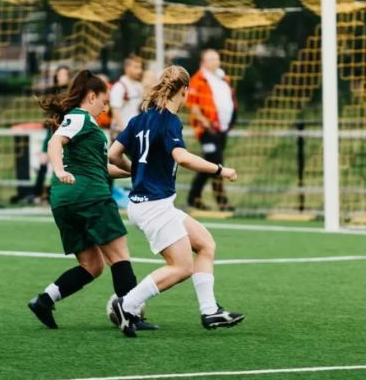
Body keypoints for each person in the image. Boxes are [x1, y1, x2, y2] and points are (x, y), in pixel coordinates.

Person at [108, 65, 244, 338]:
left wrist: (134, 170)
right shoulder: (169, 120)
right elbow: (182, 157)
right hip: (153, 206)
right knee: (181, 267)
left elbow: (113, 154)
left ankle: (209, 311)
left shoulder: (139, 119)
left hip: (150, 203)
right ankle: (128, 304)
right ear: (183, 91)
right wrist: (220, 169)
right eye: (186, 94)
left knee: (205, 244)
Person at [27, 70, 158, 331]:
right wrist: (59, 170)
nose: (106, 106)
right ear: (91, 96)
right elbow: (55, 144)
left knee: (92, 265)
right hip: (89, 196)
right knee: (120, 255)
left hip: (64, 201)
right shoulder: (79, 118)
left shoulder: (84, 125)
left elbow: (101, 167)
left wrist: (138, 172)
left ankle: (44, 300)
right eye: (104, 100)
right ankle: (130, 314)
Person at [186, 49, 237, 212]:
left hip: (221, 130)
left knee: (213, 164)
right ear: (203, 62)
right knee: (214, 162)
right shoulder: (197, 81)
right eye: (211, 59)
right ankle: (217, 200)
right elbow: (193, 107)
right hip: (207, 130)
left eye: (216, 59)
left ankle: (197, 198)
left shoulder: (223, 79)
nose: (215, 62)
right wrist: (206, 123)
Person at [32, 66, 71, 202]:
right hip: (53, 131)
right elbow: (49, 118)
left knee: (63, 163)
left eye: (65, 74)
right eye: (60, 75)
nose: (62, 77)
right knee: (44, 161)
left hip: (66, 132)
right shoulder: (52, 93)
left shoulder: (72, 94)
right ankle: (37, 193)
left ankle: (59, 193)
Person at [109, 54, 144, 139]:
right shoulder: (119, 86)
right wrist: (124, 131)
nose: (139, 71)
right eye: (136, 67)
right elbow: (115, 111)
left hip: (135, 132)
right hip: (121, 132)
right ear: (127, 68)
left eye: (140, 67)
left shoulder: (139, 86)